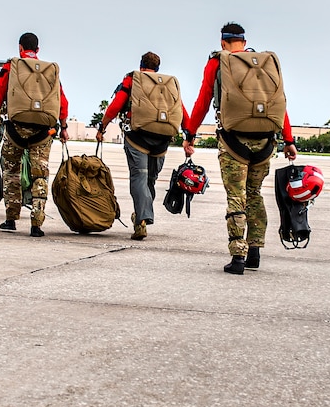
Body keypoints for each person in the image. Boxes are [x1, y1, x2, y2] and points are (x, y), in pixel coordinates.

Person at [183, 23, 297, 274]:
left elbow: (203, 99)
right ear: (244, 42)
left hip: (234, 142)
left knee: (236, 196)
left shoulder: (219, 62)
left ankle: (237, 257)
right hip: (266, 141)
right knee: (254, 193)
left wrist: (190, 133)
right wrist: (288, 140)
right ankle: (255, 252)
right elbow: (280, 103)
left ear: (223, 42)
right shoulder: (264, 63)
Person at [0, 32, 68, 237]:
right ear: (37, 50)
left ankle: (11, 219)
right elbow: (62, 100)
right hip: (43, 132)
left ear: (20, 48)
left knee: (11, 172)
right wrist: (63, 126)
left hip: (15, 130)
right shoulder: (50, 70)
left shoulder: (12, 67)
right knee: (40, 175)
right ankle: (36, 224)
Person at [99, 51, 181, 240]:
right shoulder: (168, 84)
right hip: (161, 142)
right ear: (157, 68)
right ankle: (142, 215)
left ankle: (142, 220)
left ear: (141, 65)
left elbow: (116, 104)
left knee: (139, 178)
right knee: (150, 180)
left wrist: (102, 125)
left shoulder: (133, 80)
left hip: (137, 139)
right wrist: (189, 134)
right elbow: (180, 109)